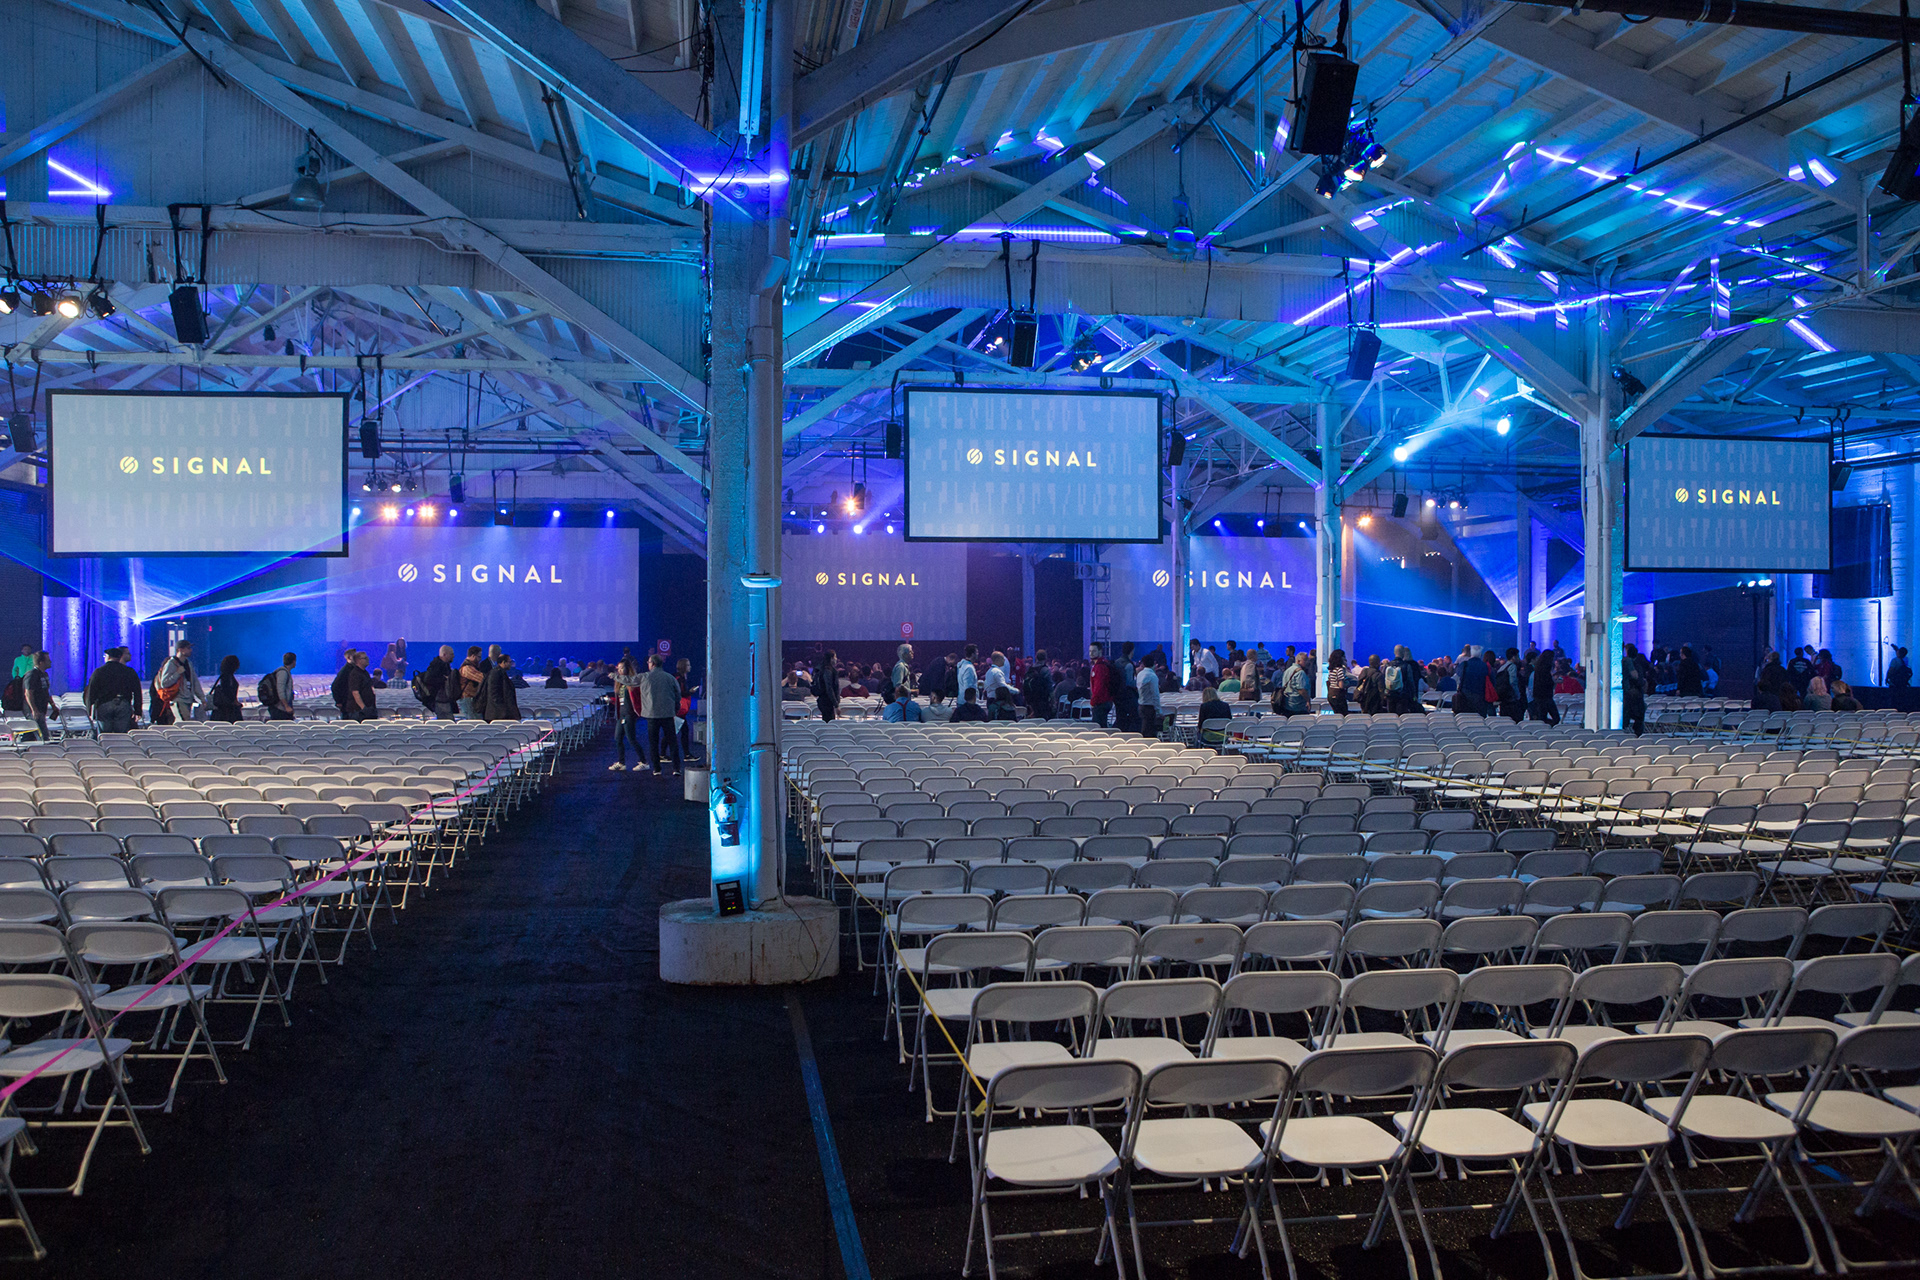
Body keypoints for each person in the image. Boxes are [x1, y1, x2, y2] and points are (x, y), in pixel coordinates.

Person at [637, 654, 681, 775]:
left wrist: (615, 676)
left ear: (653, 663)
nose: (647, 663)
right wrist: (675, 708)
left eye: (649, 662)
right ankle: (676, 768)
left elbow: (630, 680)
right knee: (672, 742)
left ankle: (657, 769)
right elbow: (678, 694)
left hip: (652, 715)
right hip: (667, 714)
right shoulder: (670, 677)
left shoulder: (646, 677)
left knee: (653, 743)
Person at [85, 647, 141, 734]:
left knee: (105, 734)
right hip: (123, 703)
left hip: (104, 704)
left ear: (108, 657)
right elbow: (137, 691)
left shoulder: (99, 671)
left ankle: (106, 747)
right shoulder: (129, 671)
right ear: (119, 657)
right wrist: (138, 710)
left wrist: (89, 709)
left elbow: (91, 692)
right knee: (121, 734)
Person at [151, 640, 204, 725]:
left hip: (188, 698)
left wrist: (201, 698)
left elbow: (195, 681)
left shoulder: (188, 663)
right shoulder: (171, 664)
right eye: (188, 648)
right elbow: (164, 683)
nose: (190, 650)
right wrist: (177, 673)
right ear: (180, 650)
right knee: (184, 722)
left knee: (185, 721)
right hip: (178, 699)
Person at [25, 651, 58, 740]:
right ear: (41, 662)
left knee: (37, 733)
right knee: (42, 734)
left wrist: (53, 705)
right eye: (48, 660)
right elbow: (28, 693)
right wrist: (34, 710)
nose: (50, 662)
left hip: (42, 708)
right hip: (35, 709)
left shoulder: (44, 674)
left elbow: (46, 692)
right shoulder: (32, 675)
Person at [418, 646, 458, 719]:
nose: (453, 656)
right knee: (447, 722)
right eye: (451, 654)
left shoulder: (444, 665)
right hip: (440, 699)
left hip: (444, 699)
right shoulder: (436, 666)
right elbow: (428, 679)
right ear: (444, 654)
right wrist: (445, 679)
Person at [481, 654, 522, 722]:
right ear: (503, 662)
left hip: (500, 713)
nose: (510, 664)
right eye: (509, 662)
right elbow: (494, 693)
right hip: (498, 714)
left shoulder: (499, 672)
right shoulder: (496, 673)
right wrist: (503, 711)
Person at [207, 654, 243, 723]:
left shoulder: (224, 676)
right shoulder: (228, 677)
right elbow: (227, 691)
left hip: (223, 709)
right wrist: (234, 701)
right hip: (227, 710)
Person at [1527, 652, 1560, 725]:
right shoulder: (1545, 671)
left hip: (1539, 697)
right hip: (1546, 697)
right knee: (1555, 718)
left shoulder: (1537, 670)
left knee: (1542, 718)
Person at [1621, 643, 1647, 736]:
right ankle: (1637, 733)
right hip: (1635, 693)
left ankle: (1625, 730)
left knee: (1626, 714)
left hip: (1627, 692)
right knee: (1639, 714)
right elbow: (1637, 677)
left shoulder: (1623, 662)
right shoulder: (1636, 665)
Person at [1088, 644, 1115, 728]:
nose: (1091, 653)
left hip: (1100, 702)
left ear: (1100, 651)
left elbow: (1099, 686)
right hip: (1105, 701)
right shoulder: (1103, 664)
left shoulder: (1099, 667)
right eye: (1090, 651)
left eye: (1094, 651)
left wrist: (1093, 701)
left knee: (1098, 728)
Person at [263, 652, 297, 720]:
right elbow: (280, 690)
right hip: (280, 709)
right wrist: (286, 706)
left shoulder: (285, 672)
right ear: (293, 661)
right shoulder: (283, 673)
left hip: (281, 708)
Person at [1136, 655, 1164, 738]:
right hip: (1149, 708)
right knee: (1150, 732)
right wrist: (1159, 711)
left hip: (1141, 705)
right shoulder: (1152, 676)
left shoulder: (1140, 674)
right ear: (1154, 664)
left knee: (1144, 730)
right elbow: (1155, 694)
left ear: (1143, 663)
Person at [1022, 650, 1053, 722]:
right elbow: (1049, 687)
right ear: (1045, 658)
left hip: (1030, 699)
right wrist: (1053, 701)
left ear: (1036, 657)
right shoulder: (1045, 670)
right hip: (1042, 699)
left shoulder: (1030, 669)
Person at [459, 646, 487, 718]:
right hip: (468, 699)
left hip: (470, 699)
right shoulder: (467, 668)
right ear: (473, 656)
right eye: (479, 657)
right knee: (474, 722)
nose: (480, 659)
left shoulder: (468, 667)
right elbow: (481, 678)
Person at [815, 649, 841, 723]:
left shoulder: (822, 669)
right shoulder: (828, 671)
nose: (836, 659)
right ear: (831, 658)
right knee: (829, 723)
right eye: (835, 657)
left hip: (824, 701)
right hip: (827, 702)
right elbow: (829, 688)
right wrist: (836, 704)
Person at [1323, 650, 1350, 715]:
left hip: (1331, 694)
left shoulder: (1331, 669)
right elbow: (1341, 685)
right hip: (1338, 695)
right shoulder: (1340, 669)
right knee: (1343, 715)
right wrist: (1347, 683)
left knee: (1337, 714)